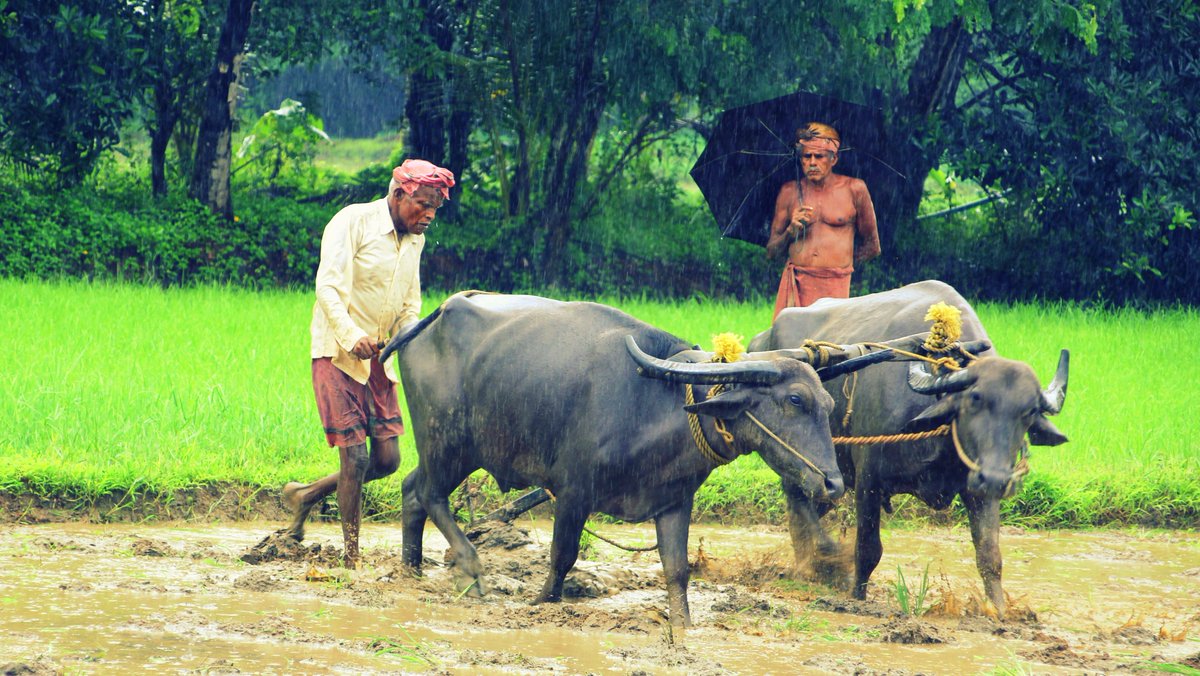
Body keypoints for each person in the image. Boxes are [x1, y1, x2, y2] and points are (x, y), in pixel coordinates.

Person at [281, 158, 455, 569]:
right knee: (355, 459)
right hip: (338, 353)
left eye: (435, 208)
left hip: (380, 359)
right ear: (398, 195)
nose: (428, 215)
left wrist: (412, 337)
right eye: (422, 205)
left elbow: (410, 303)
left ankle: (304, 496)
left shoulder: (416, 240)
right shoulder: (352, 222)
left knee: (387, 461)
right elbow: (327, 286)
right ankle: (352, 556)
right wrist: (350, 335)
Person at [765, 122, 880, 319]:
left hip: (836, 286)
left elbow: (873, 246)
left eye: (819, 157)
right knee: (792, 346)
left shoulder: (854, 189)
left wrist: (840, 267)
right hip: (798, 286)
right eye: (806, 157)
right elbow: (771, 251)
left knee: (832, 347)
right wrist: (790, 232)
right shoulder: (790, 192)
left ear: (833, 158)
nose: (812, 163)